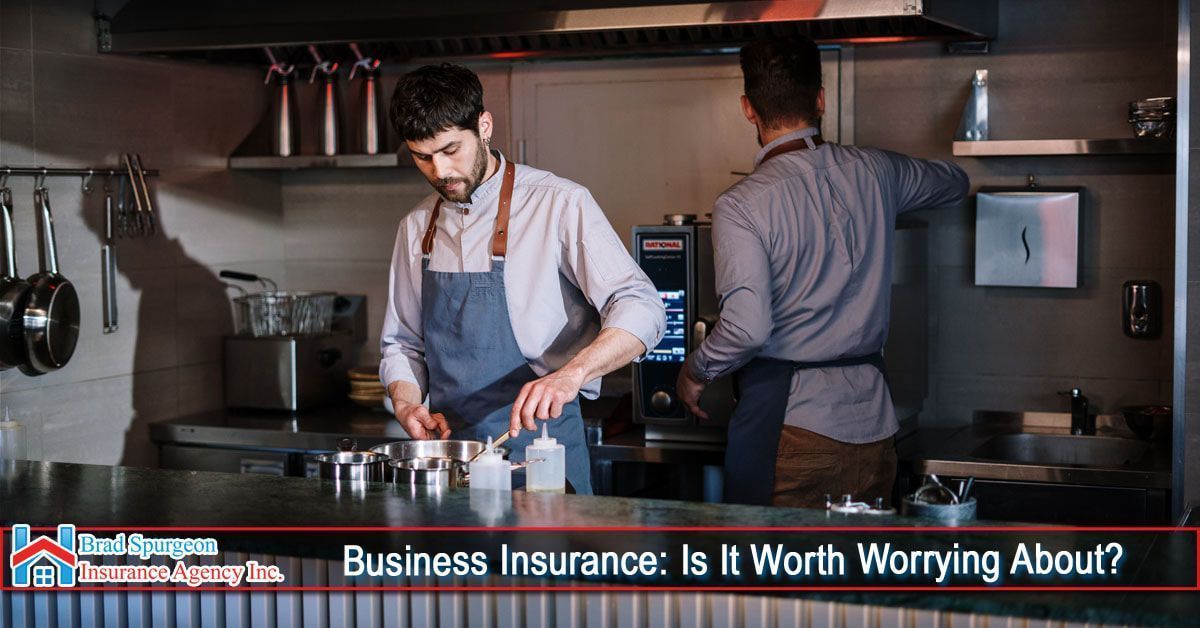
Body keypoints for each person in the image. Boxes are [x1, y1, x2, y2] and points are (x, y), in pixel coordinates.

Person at [677, 36, 968, 508]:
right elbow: (954, 183)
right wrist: (887, 192)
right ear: (820, 99)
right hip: (875, 432)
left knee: (773, 579)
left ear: (748, 109)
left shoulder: (741, 206)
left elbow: (748, 329)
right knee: (853, 577)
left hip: (792, 434)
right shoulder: (877, 172)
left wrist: (695, 370)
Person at [380, 63, 666, 495]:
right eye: (423, 157)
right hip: (451, 460)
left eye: (451, 150)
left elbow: (642, 305)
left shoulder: (559, 203)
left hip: (542, 451)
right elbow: (402, 343)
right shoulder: (415, 226)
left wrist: (571, 374)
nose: (440, 172)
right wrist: (405, 401)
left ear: (485, 125)